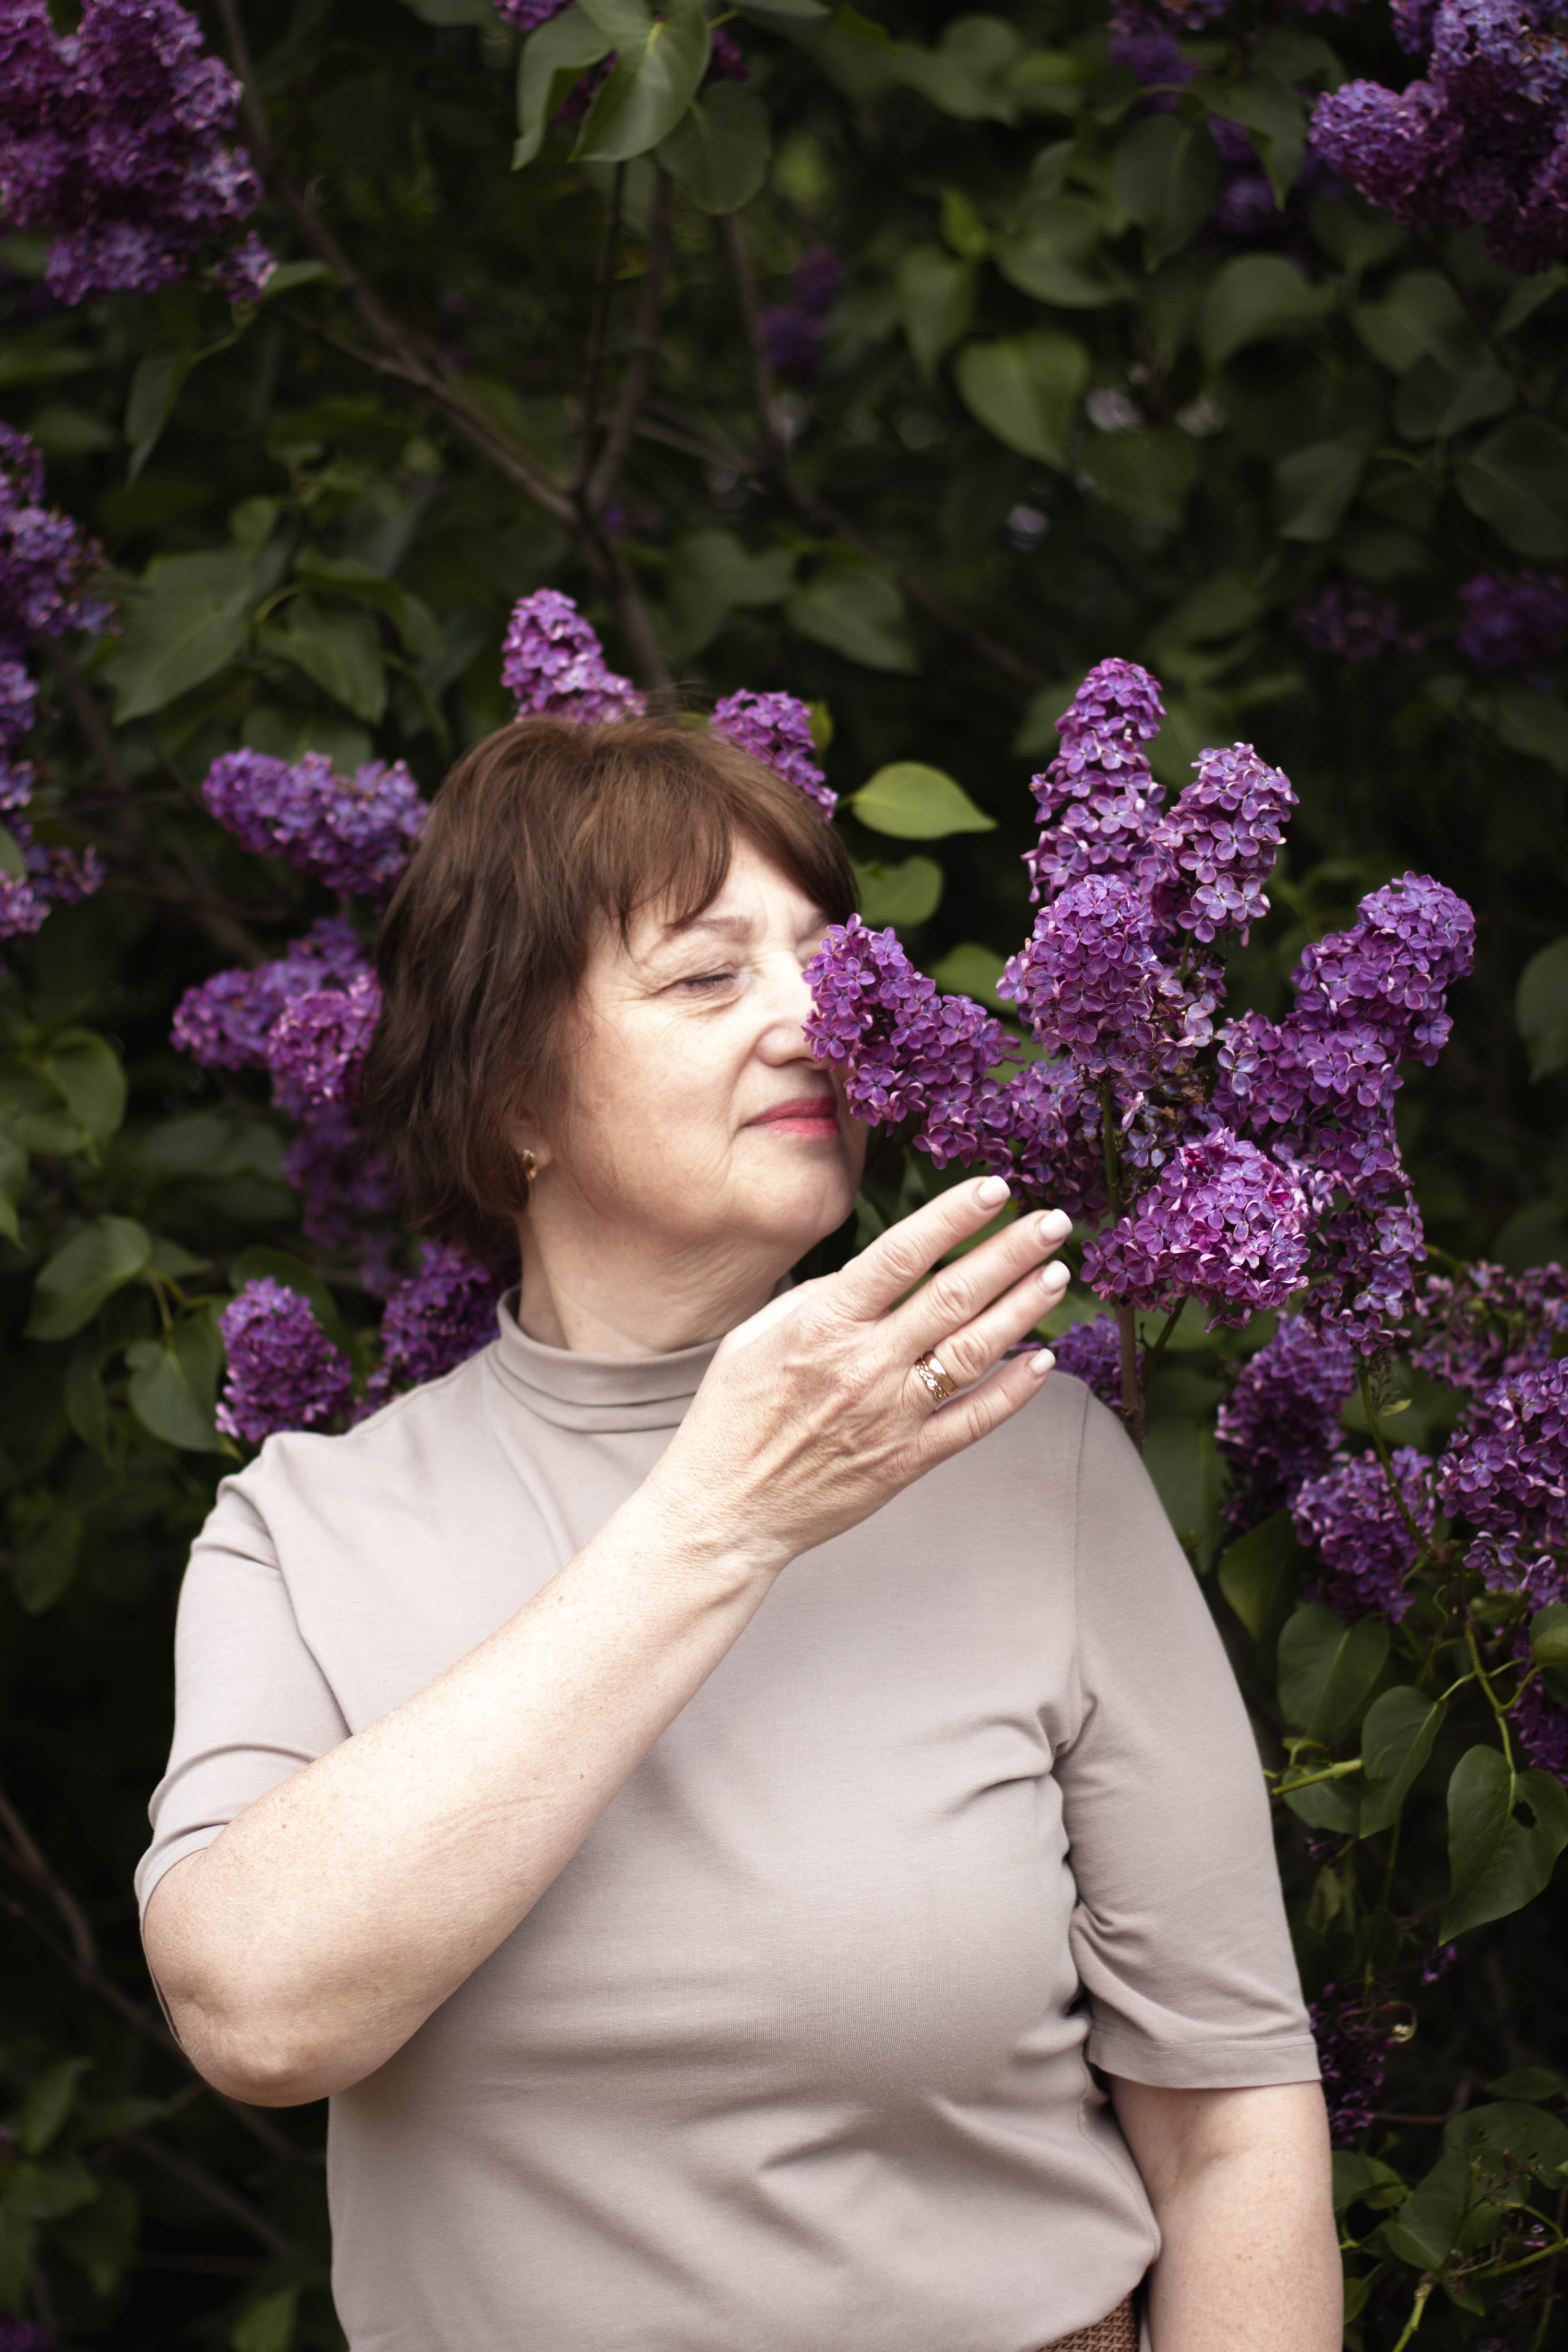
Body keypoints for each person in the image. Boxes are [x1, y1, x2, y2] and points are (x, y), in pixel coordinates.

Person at [138, 715, 1340, 2352]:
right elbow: (258, 2014)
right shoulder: (307, 1537)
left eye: (828, 963)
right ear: (513, 1104)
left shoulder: (1033, 1463)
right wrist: (720, 1519)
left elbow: (1230, 2127)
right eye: (708, 979)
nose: (814, 1020)